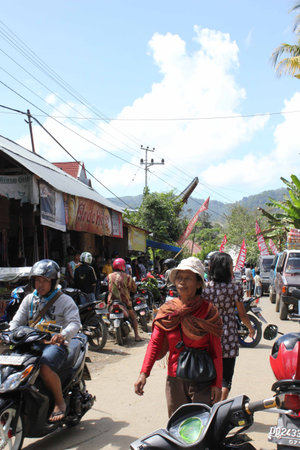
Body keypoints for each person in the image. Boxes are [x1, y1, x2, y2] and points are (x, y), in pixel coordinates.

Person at [134, 256, 223, 417]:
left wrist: (217, 384)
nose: (182, 282)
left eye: (187, 278)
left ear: (198, 284)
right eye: (179, 278)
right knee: (177, 426)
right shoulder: (168, 311)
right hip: (175, 378)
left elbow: (216, 351)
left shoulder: (209, 312)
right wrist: (143, 373)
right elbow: (154, 344)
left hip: (203, 379)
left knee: (200, 427)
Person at [9, 259, 81, 422]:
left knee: (44, 366)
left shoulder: (64, 300)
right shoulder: (29, 299)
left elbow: (75, 323)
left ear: (53, 282)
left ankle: (59, 402)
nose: (40, 285)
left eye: (44, 281)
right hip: (32, 342)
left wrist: (63, 334)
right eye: (37, 280)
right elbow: (16, 321)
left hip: (56, 345)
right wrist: (7, 334)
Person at [203, 252, 255, 401]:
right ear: (227, 269)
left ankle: (210, 406)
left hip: (209, 333)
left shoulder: (205, 288)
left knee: (210, 375)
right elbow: (242, 314)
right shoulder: (235, 288)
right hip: (229, 336)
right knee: (226, 378)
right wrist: (250, 328)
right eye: (232, 266)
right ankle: (220, 407)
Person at [107, 258, 143, 342]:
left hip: (111, 301)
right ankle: (137, 336)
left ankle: (109, 329)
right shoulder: (127, 277)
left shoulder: (109, 276)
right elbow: (134, 288)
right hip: (125, 302)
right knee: (133, 316)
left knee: (107, 314)